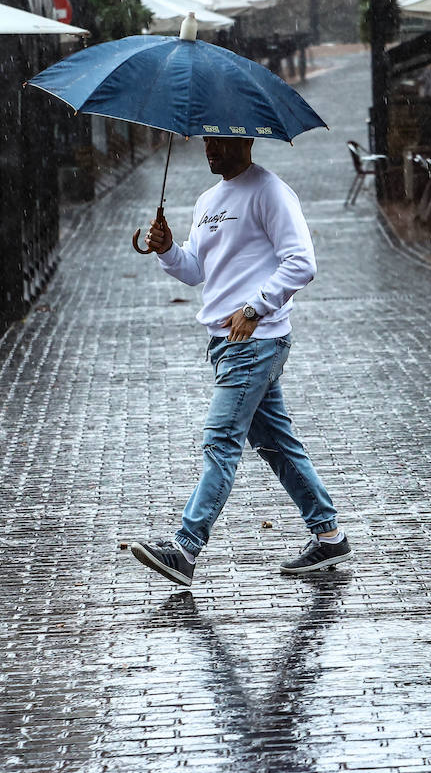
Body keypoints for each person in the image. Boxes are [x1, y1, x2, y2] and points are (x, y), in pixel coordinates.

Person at [130, 135, 350, 587]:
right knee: (276, 443)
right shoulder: (208, 200)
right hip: (224, 343)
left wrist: (255, 307)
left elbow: (301, 262)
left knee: (221, 441)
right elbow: (196, 270)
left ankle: (185, 549)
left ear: (246, 140)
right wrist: (168, 249)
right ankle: (329, 536)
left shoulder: (270, 191)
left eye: (221, 140)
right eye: (207, 140)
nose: (210, 148)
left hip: (256, 342)